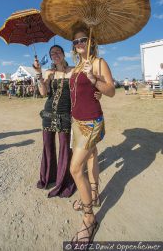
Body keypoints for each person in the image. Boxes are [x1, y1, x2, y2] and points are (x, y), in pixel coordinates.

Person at [34, 45, 102, 198]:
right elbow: (44, 93)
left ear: (64, 54)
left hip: (66, 114)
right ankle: (48, 178)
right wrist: (39, 74)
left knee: (65, 148)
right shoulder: (49, 72)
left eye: (58, 52)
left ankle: (62, 182)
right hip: (48, 114)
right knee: (47, 146)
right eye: (52, 53)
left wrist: (98, 93)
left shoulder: (73, 70)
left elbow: (85, 87)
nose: (55, 55)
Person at [69, 24, 115, 243]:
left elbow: (112, 90)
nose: (79, 44)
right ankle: (94, 193)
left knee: (75, 168)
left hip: (91, 121)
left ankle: (89, 218)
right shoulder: (77, 66)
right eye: (75, 41)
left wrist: (94, 79)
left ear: (91, 42)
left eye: (82, 40)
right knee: (93, 154)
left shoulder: (98, 63)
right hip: (77, 121)